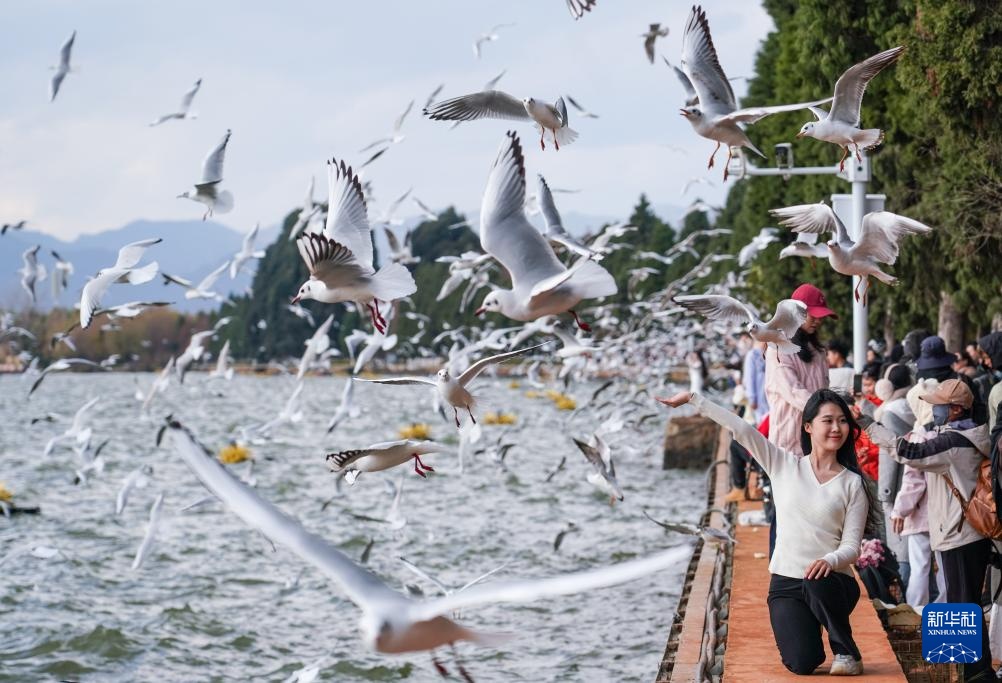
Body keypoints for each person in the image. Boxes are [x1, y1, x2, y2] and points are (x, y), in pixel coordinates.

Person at [656, 388, 876, 676]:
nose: (837, 428)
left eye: (843, 421)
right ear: (808, 427)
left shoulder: (852, 483)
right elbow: (742, 429)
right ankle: (811, 633)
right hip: (787, 581)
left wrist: (830, 560)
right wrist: (694, 399)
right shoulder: (784, 465)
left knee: (816, 582)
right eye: (828, 420)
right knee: (801, 663)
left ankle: (847, 652)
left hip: (832, 582)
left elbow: (852, 546)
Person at [892, 379, 991, 683]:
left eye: (939, 405)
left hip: (959, 534)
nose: (934, 409)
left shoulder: (954, 442)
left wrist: (869, 426)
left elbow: (908, 452)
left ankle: (970, 673)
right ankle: (973, 670)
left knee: (962, 603)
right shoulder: (969, 434)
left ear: (956, 409)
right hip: (965, 532)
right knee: (965, 600)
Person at [765, 283, 835, 456]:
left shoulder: (818, 352)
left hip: (818, 442)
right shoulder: (778, 348)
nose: (818, 320)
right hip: (788, 444)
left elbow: (823, 391)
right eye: (814, 315)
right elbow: (794, 392)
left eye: (821, 316)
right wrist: (830, 411)